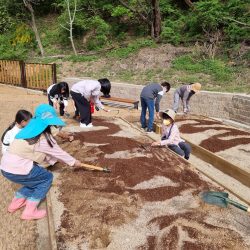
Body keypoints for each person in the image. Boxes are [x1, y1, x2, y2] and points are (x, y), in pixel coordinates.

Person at [0, 104, 82, 220]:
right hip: (18, 168)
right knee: (46, 178)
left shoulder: (27, 129)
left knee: (33, 182)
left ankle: (15, 204)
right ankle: (30, 211)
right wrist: (74, 162)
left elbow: (46, 154)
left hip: (5, 168)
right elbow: (59, 153)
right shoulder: (44, 138)